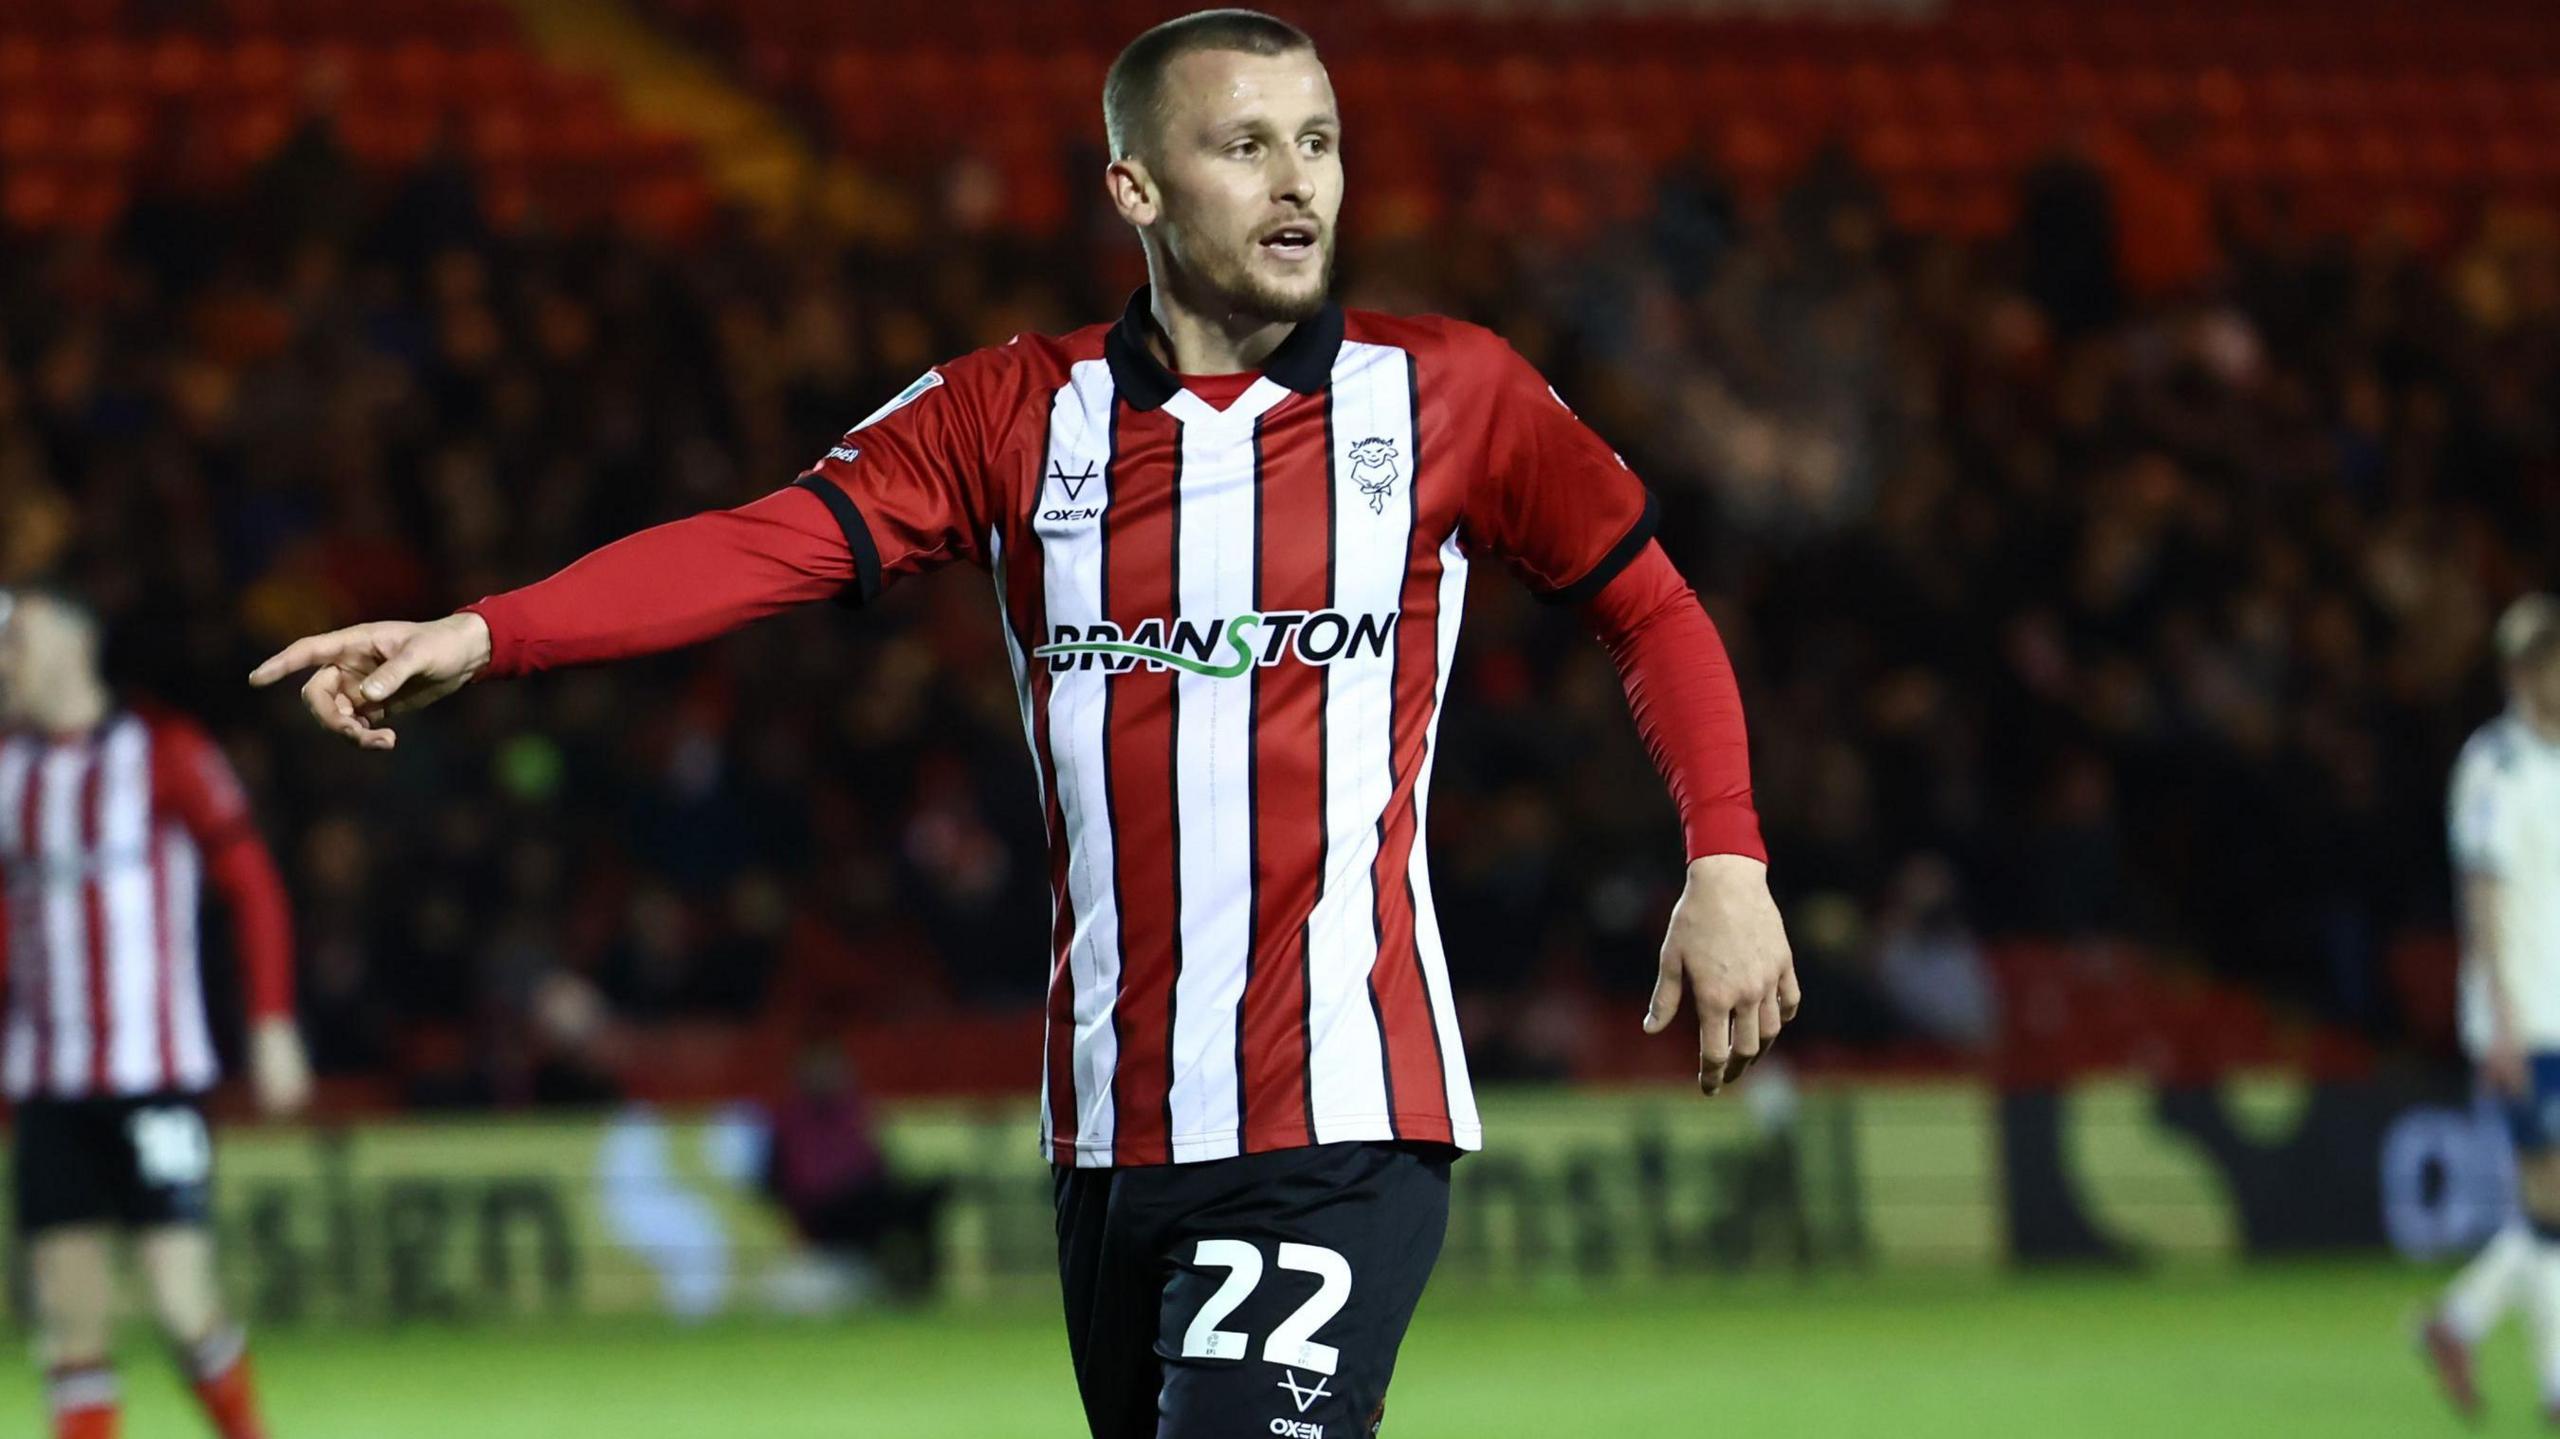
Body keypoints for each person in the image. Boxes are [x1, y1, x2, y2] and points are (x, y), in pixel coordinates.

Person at [247, 12, 1797, 1435]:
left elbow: (1651, 606)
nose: (1298, 181)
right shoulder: (1013, 413)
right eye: (1244, 144)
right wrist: (487, 631)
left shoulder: (1451, 394)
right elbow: (764, 542)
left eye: (1319, 141)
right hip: (1109, 1130)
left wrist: (1726, 856)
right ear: (1135, 187)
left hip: (1340, 1103)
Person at [0, 585, 310, 1439]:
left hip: (154, 1075)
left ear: (74, 643)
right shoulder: (9, 769)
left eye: (18, 639)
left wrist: (272, 1019)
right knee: (70, 1327)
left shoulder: (164, 750)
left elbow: (253, 884)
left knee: (181, 1306)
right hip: (47, 1083)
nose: (5, 659)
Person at [2421, 594, 2560, 1423]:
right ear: (2519, 671)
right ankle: (2554, 1381)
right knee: (2550, 1193)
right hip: (2525, 1016)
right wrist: (2500, 1016)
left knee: (2552, 1205)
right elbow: (2482, 889)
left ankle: (2458, 1319)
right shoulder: (2495, 765)